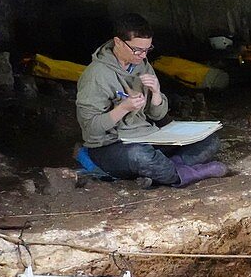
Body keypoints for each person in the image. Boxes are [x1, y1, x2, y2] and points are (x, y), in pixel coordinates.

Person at [76, 13, 228, 188]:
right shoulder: (96, 75)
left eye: (147, 49)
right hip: (111, 146)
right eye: (137, 50)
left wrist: (156, 93)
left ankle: (165, 170)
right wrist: (123, 108)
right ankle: (189, 173)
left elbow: (157, 115)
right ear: (118, 42)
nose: (142, 55)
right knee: (140, 155)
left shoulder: (142, 64)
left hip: (146, 136)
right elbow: (91, 128)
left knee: (210, 141)